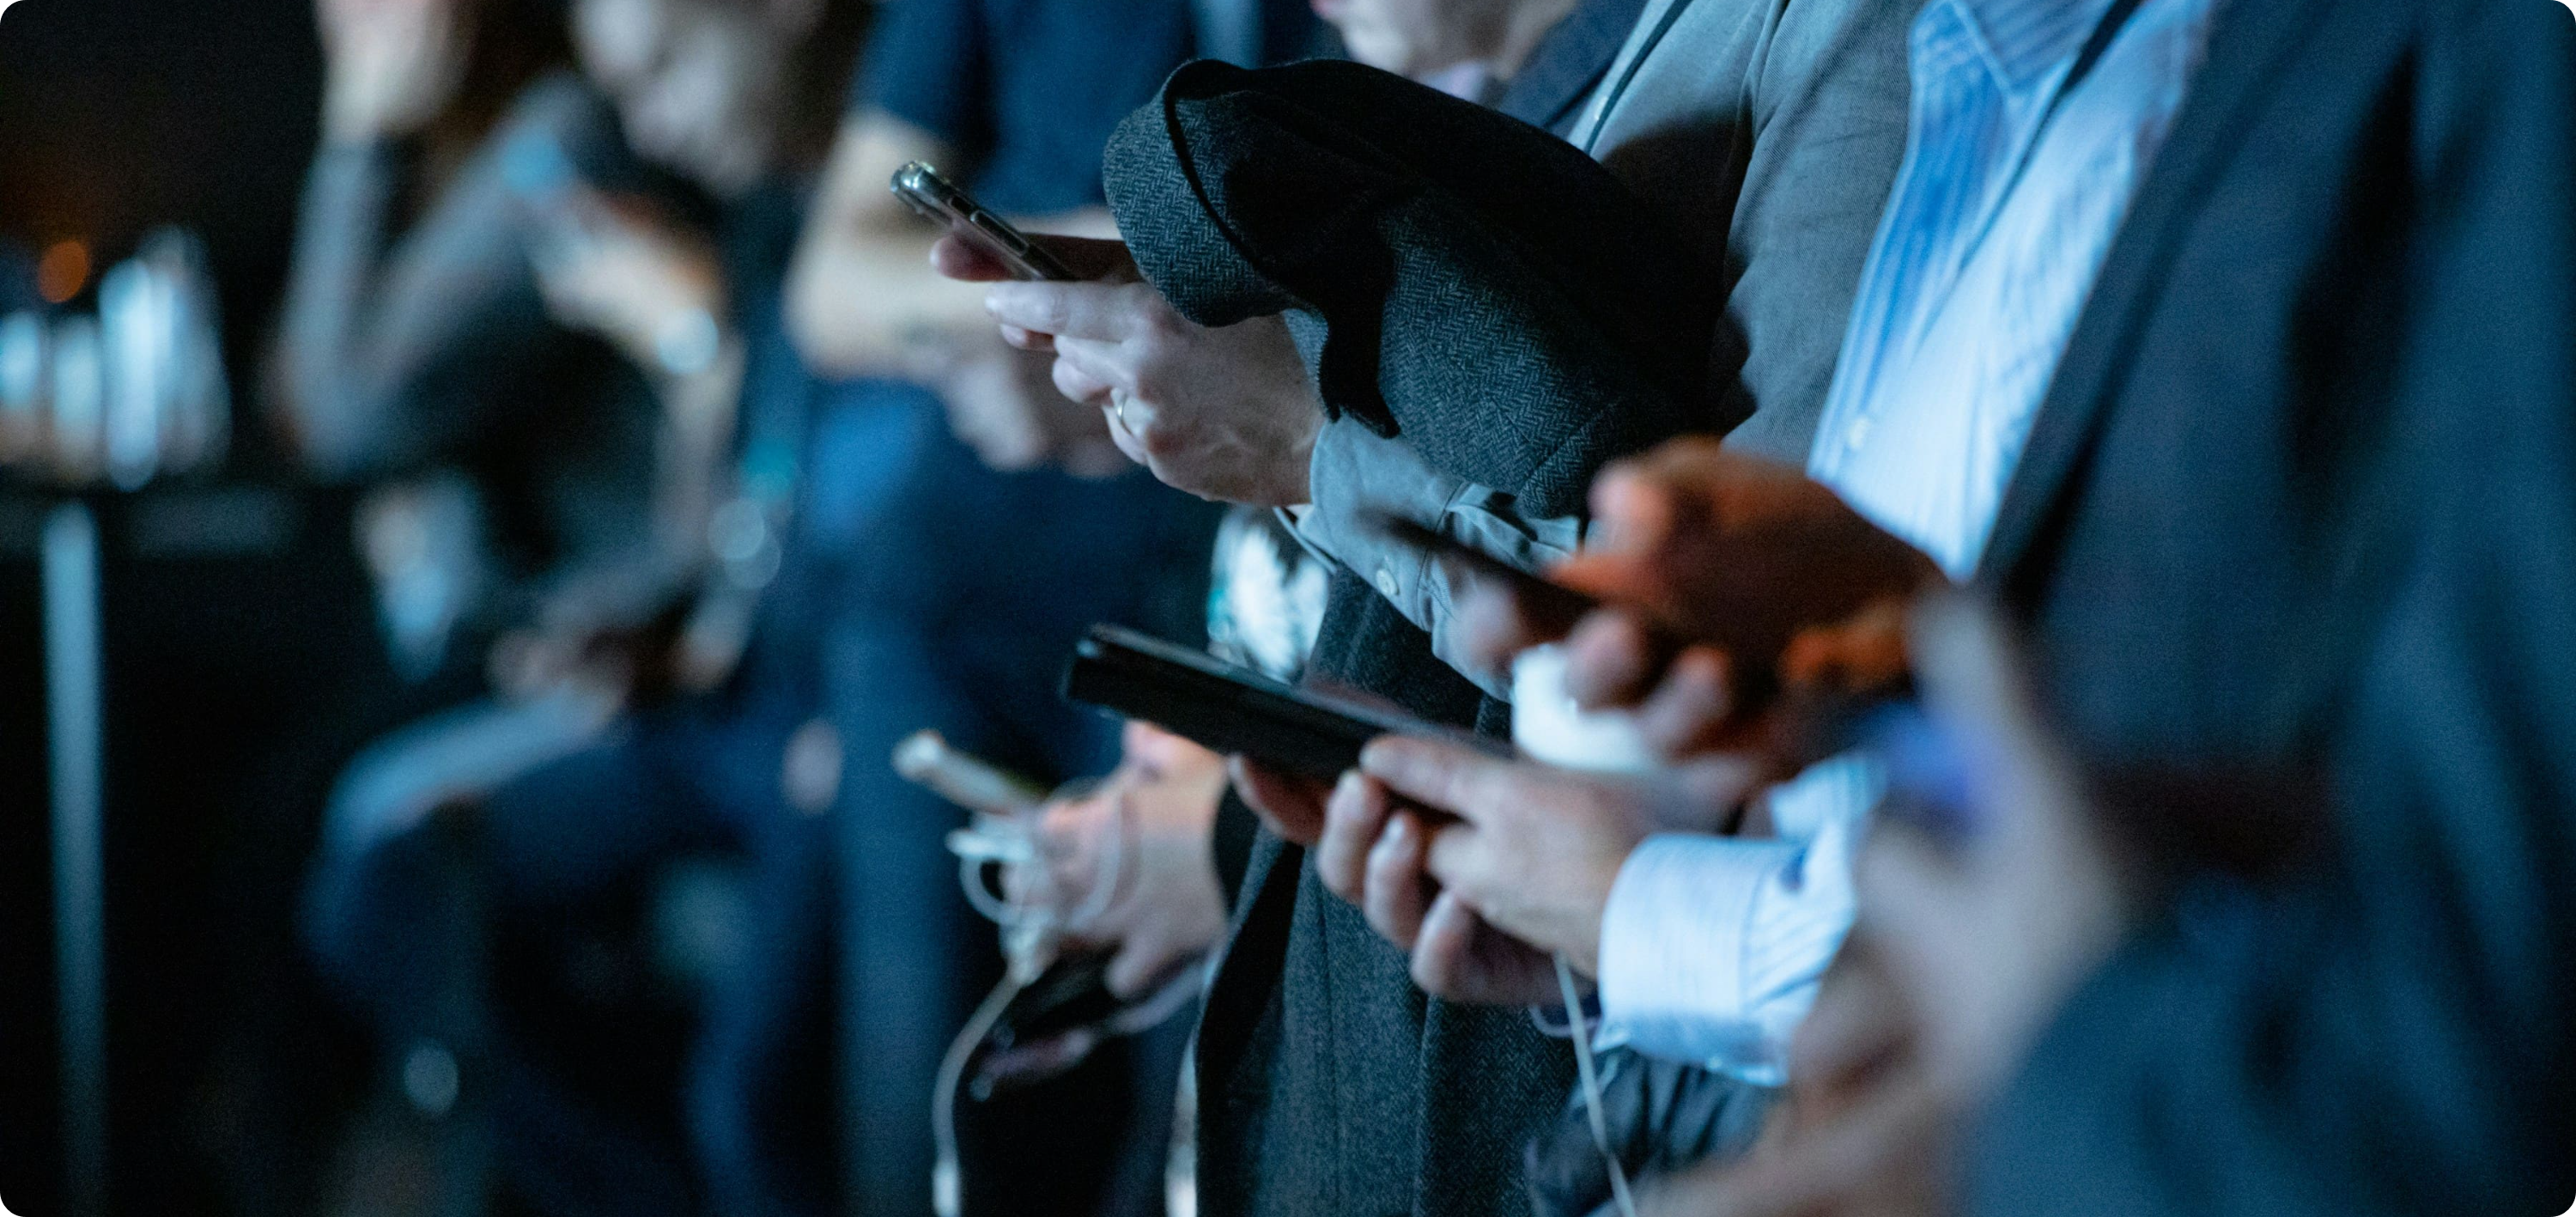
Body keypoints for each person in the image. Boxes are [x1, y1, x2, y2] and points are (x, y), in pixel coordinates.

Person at [1352, 0, 2576, 1214]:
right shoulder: (1995, 78)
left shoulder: (2458, 55)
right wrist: (1893, 673)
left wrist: (1653, 918)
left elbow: (2452, 1043)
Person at [941, 0, 1919, 1212]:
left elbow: (1723, 669)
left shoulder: (1827, 38)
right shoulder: (1481, 104)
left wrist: (1303, 438)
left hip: (1627, 1065)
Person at [302, 0, 874, 1210]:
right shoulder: (721, 178)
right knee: (364, 840)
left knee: (371, 836)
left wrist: (358, 133)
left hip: (770, 690)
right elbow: (312, 398)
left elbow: (341, 415)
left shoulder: (574, 141)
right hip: (686, 659)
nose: (652, 116)